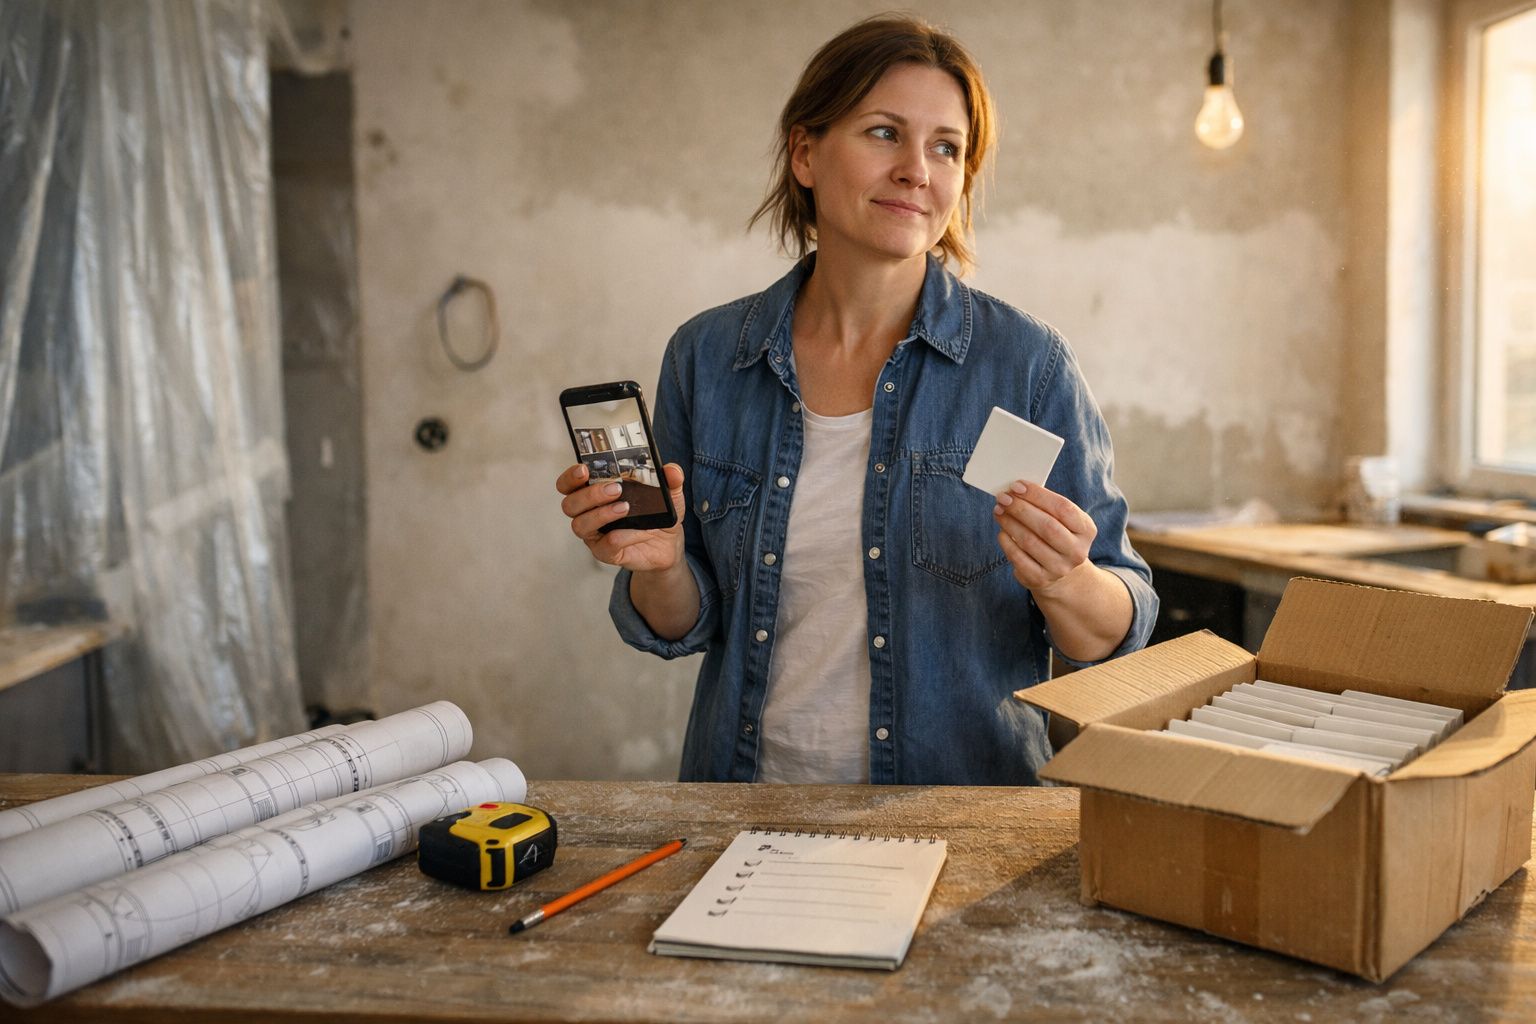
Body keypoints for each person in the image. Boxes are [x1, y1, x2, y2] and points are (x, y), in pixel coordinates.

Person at [555, 14, 1157, 785]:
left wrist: (1068, 581)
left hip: (958, 821)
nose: (918, 170)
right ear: (805, 153)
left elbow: (1116, 632)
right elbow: (682, 622)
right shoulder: (707, 357)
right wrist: (660, 566)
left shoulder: (1027, 365)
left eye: (947, 147)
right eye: (884, 133)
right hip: (745, 813)